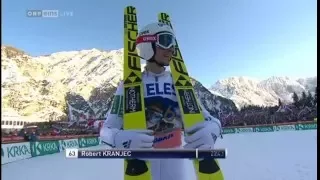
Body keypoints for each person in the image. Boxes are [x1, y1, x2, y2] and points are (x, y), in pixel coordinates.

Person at [100, 22, 222, 180]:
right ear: (147, 44)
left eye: (173, 42)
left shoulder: (180, 83)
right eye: (165, 40)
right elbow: (106, 130)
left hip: (174, 158)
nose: (171, 48)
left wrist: (213, 129)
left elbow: (208, 118)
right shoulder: (129, 85)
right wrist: (118, 139)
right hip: (143, 161)